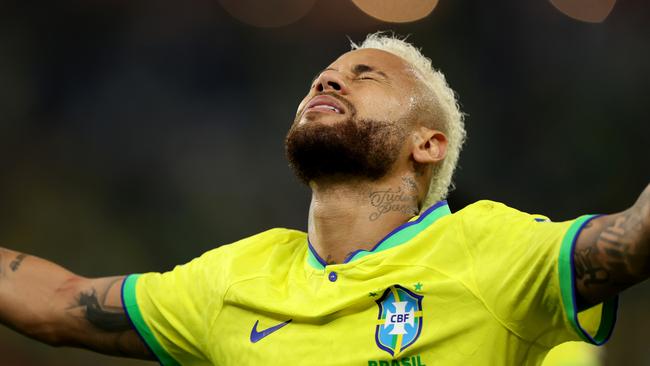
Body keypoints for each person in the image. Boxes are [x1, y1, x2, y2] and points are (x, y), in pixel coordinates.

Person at [0, 32, 648, 366]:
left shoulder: (490, 251)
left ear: (428, 144)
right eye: (326, 75)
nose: (331, 75)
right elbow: (60, 303)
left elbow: (633, 235)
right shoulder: (232, 280)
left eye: (368, 76)